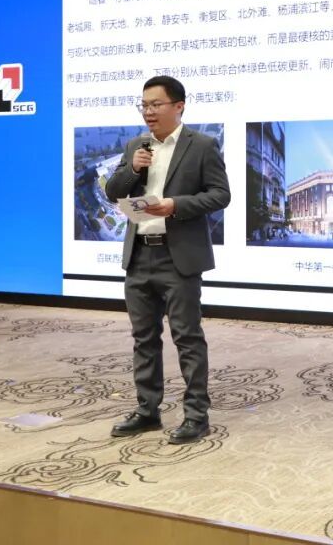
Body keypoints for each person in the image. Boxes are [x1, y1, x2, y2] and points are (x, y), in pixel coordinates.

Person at [104, 76, 230, 444]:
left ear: (179, 106)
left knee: (187, 338)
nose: (148, 112)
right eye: (144, 105)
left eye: (155, 104)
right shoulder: (135, 146)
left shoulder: (202, 145)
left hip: (179, 258)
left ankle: (196, 416)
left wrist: (176, 205)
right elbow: (113, 192)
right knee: (143, 338)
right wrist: (133, 169)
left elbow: (220, 195)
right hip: (139, 254)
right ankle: (147, 411)